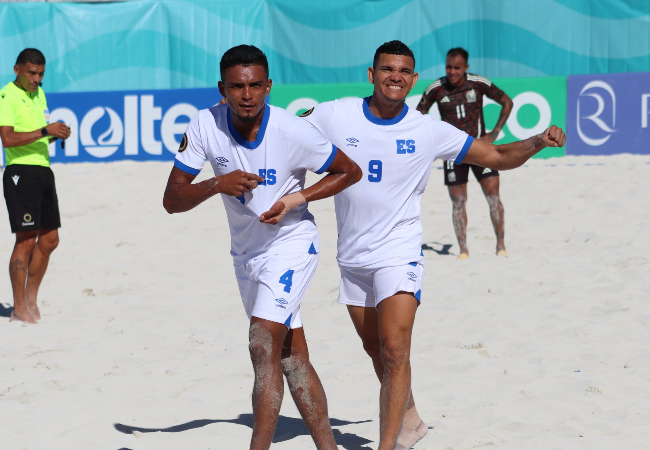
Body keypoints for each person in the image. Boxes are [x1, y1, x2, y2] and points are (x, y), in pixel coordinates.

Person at [301, 40, 565, 450]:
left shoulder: (427, 129)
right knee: (375, 349)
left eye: (404, 71)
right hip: (352, 255)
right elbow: (283, 132)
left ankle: (389, 445)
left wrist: (537, 141)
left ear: (414, 80)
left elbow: (494, 154)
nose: (395, 77)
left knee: (394, 350)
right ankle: (410, 420)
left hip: (400, 251)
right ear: (372, 75)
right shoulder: (336, 113)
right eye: (387, 69)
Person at [163, 45, 361, 450]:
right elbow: (172, 200)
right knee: (291, 356)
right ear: (223, 88)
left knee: (261, 342)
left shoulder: (292, 130)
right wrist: (218, 182)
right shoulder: (204, 125)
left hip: (292, 244)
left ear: (269, 86)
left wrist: (296, 200)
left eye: (255, 85)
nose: (247, 94)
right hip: (246, 256)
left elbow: (349, 171)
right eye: (237, 86)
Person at [0, 48, 71, 323]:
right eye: (31, 73)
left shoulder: (38, 93)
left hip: (43, 169)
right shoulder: (5, 95)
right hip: (19, 173)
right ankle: (18, 308)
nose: (36, 79)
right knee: (25, 241)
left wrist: (55, 134)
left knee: (50, 240)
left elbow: (38, 136)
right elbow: (8, 139)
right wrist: (44, 131)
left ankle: (30, 300)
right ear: (17, 70)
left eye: (40, 74)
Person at [417, 47, 514, 259]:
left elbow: (507, 102)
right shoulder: (436, 88)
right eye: (448, 67)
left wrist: (495, 132)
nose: (452, 72)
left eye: (457, 68)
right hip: (453, 153)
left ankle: (500, 246)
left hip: (481, 150)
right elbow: (417, 116)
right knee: (458, 202)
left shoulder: (478, 83)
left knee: (493, 197)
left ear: (466, 68)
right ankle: (463, 250)